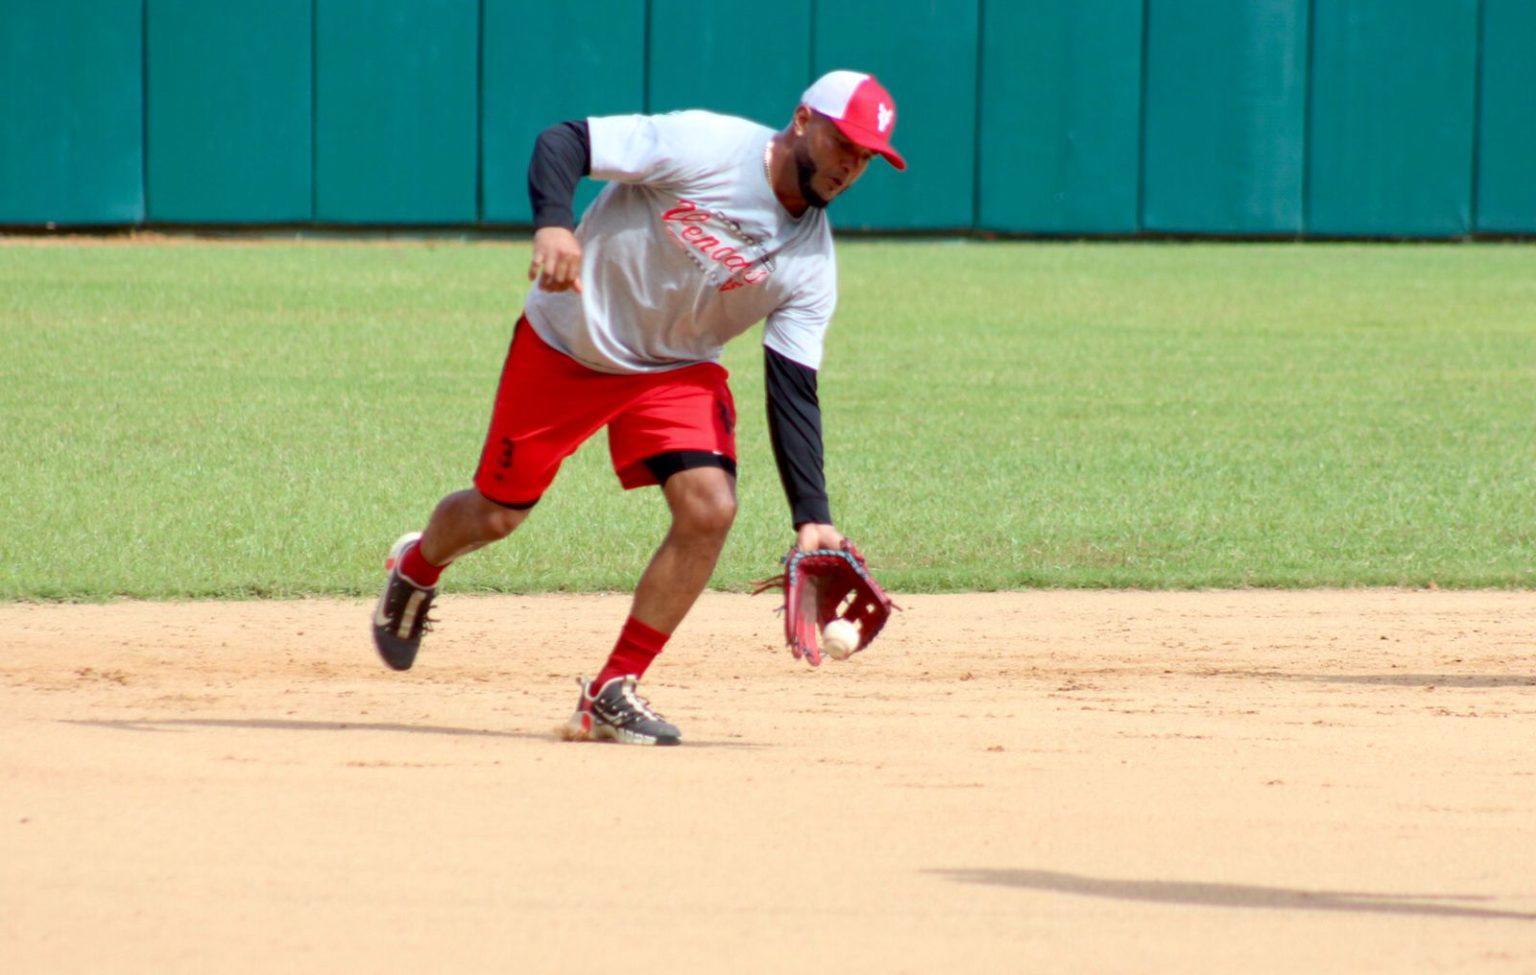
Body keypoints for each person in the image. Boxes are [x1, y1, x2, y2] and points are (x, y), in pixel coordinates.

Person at [371, 70, 906, 746]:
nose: (850, 166)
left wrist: (814, 518)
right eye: (844, 143)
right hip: (570, 341)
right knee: (498, 512)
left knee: (711, 506)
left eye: (866, 157)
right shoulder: (706, 146)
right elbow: (563, 141)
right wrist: (555, 227)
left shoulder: (811, 264)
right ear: (803, 120)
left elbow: (793, 388)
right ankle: (416, 567)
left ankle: (612, 689)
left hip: (676, 368)